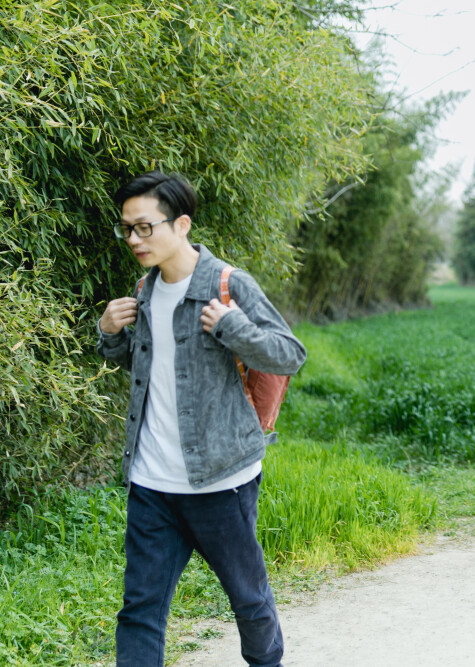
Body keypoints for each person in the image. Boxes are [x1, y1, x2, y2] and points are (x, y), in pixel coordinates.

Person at [97, 171, 306, 666]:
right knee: (140, 611)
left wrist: (234, 328)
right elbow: (146, 365)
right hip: (152, 482)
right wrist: (108, 332)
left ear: (182, 223)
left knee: (249, 601)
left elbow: (289, 354)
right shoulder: (144, 291)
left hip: (221, 481)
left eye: (145, 227)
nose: (134, 240)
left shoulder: (228, 285)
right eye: (127, 229)